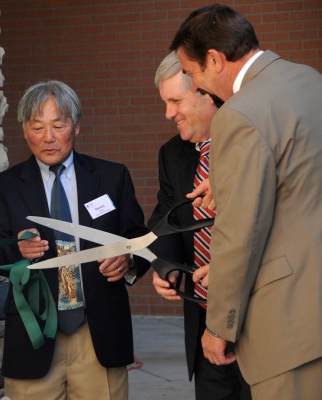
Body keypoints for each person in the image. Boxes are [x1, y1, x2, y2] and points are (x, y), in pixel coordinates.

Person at [170, 4, 322, 399]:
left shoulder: (238, 114)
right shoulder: (309, 80)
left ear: (216, 59)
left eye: (192, 74)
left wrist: (219, 326)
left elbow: (240, 235)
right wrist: (225, 180)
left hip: (290, 327)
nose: (197, 86)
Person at [0, 80, 150, 400]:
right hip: (35, 334)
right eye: (37, 127)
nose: (48, 137)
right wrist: (17, 249)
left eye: (58, 125)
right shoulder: (2, 187)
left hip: (97, 330)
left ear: (76, 126)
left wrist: (127, 259)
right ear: (24, 130)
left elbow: (138, 236)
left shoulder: (111, 178)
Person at [149, 51, 250, 399]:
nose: (168, 114)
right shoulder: (172, 153)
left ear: (207, 93)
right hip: (204, 326)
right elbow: (165, 219)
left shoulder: (251, 145)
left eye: (176, 100)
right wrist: (165, 266)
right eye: (165, 102)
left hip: (259, 323)